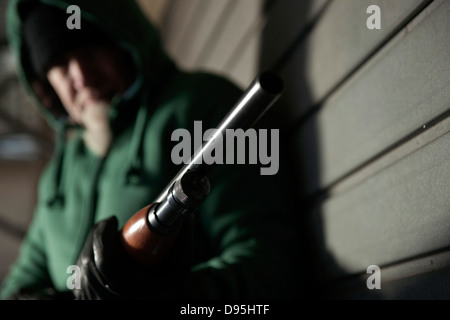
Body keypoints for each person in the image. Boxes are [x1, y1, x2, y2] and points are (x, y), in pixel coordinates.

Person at [1, 0, 299, 300]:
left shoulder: (203, 106)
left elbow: (272, 265)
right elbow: (18, 286)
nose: (82, 76)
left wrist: (171, 298)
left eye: (90, 48)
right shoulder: (58, 175)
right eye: (60, 63)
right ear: (45, 83)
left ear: (122, 39)